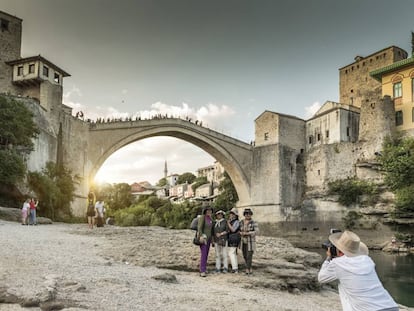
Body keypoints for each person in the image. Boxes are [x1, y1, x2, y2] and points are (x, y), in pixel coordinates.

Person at [318, 230, 399, 311]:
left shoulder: (338, 263)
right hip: (390, 306)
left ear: (339, 250)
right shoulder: (367, 260)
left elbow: (321, 278)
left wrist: (329, 258)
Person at [239, 208, 258, 275]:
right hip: (242, 241)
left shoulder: (254, 222)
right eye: (246, 214)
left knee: (249, 255)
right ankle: (249, 267)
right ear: (244, 214)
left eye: (249, 214)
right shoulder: (241, 222)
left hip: (250, 241)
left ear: (251, 214)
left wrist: (247, 233)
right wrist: (240, 233)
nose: (247, 215)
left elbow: (256, 231)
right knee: (244, 255)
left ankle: (247, 269)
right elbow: (238, 230)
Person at [197, 206, 214, 277]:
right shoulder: (202, 217)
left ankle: (204, 268)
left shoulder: (210, 218)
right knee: (203, 254)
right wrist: (201, 236)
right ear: (205, 211)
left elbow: (211, 230)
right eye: (208, 210)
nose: (209, 211)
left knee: (206, 254)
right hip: (203, 238)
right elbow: (199, 228)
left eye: (210, 210)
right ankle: (202, 271)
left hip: (209, 239)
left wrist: (212, 240)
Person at [227, 208, 240, 273]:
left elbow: (233, 230)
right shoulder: (232, 221)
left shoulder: (236, 222)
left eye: (232, 214)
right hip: (232, 238)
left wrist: (228, 223)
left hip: (234, 238)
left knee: (231, 253)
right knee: (233, 253)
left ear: (235, 215)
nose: (231, 215)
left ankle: (235, 268)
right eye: (231, 213)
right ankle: (235, 267)